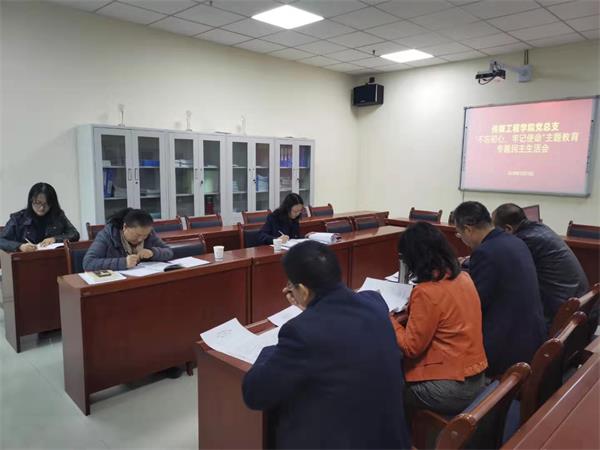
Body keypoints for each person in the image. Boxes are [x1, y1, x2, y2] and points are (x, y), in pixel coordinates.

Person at [242, 241, 411, 449]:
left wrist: (269, 350)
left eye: (291, 285)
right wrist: (312, 309)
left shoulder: (300, 333)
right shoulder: (375, 303)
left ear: (303, 290)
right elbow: (335, 326)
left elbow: (255, 394)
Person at [390, 222, 488, 421]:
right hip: (476, 375)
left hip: (450, 388)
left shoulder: (427, 292)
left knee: (385, 383)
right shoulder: (464, 278)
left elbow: (410, 348)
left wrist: (389, 318)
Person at [453, 201, 546, 377]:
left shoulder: (485, 252)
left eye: (460, 234)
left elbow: (476, 304)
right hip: (532, 335)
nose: (462, 240)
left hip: (507, 345)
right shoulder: (515, 241)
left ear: (468, 229)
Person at [493, 203, 590, 327]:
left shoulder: (525, 240)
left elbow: (502, 271)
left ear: (508, 229)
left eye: (494, 229)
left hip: (559, 312)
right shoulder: (540, 228)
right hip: (576, 303)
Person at [83, 208, 173, 271]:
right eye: (137, 235)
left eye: (144, 236)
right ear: (125, 227)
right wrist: (123, 262)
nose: (140, 239)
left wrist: (153, 252)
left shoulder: (149, 233)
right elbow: (88, 263)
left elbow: (169, 252)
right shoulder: (107, 235)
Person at [0, 182, 79, 252]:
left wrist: (55, 239)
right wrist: (20, 246)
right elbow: (1, 240)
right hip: (25, 259)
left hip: (51, 257)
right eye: (38, 203)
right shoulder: (18, 218)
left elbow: (74, 234)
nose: (41, 208)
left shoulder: (58, 215)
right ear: (31, 201)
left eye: (46, 204)